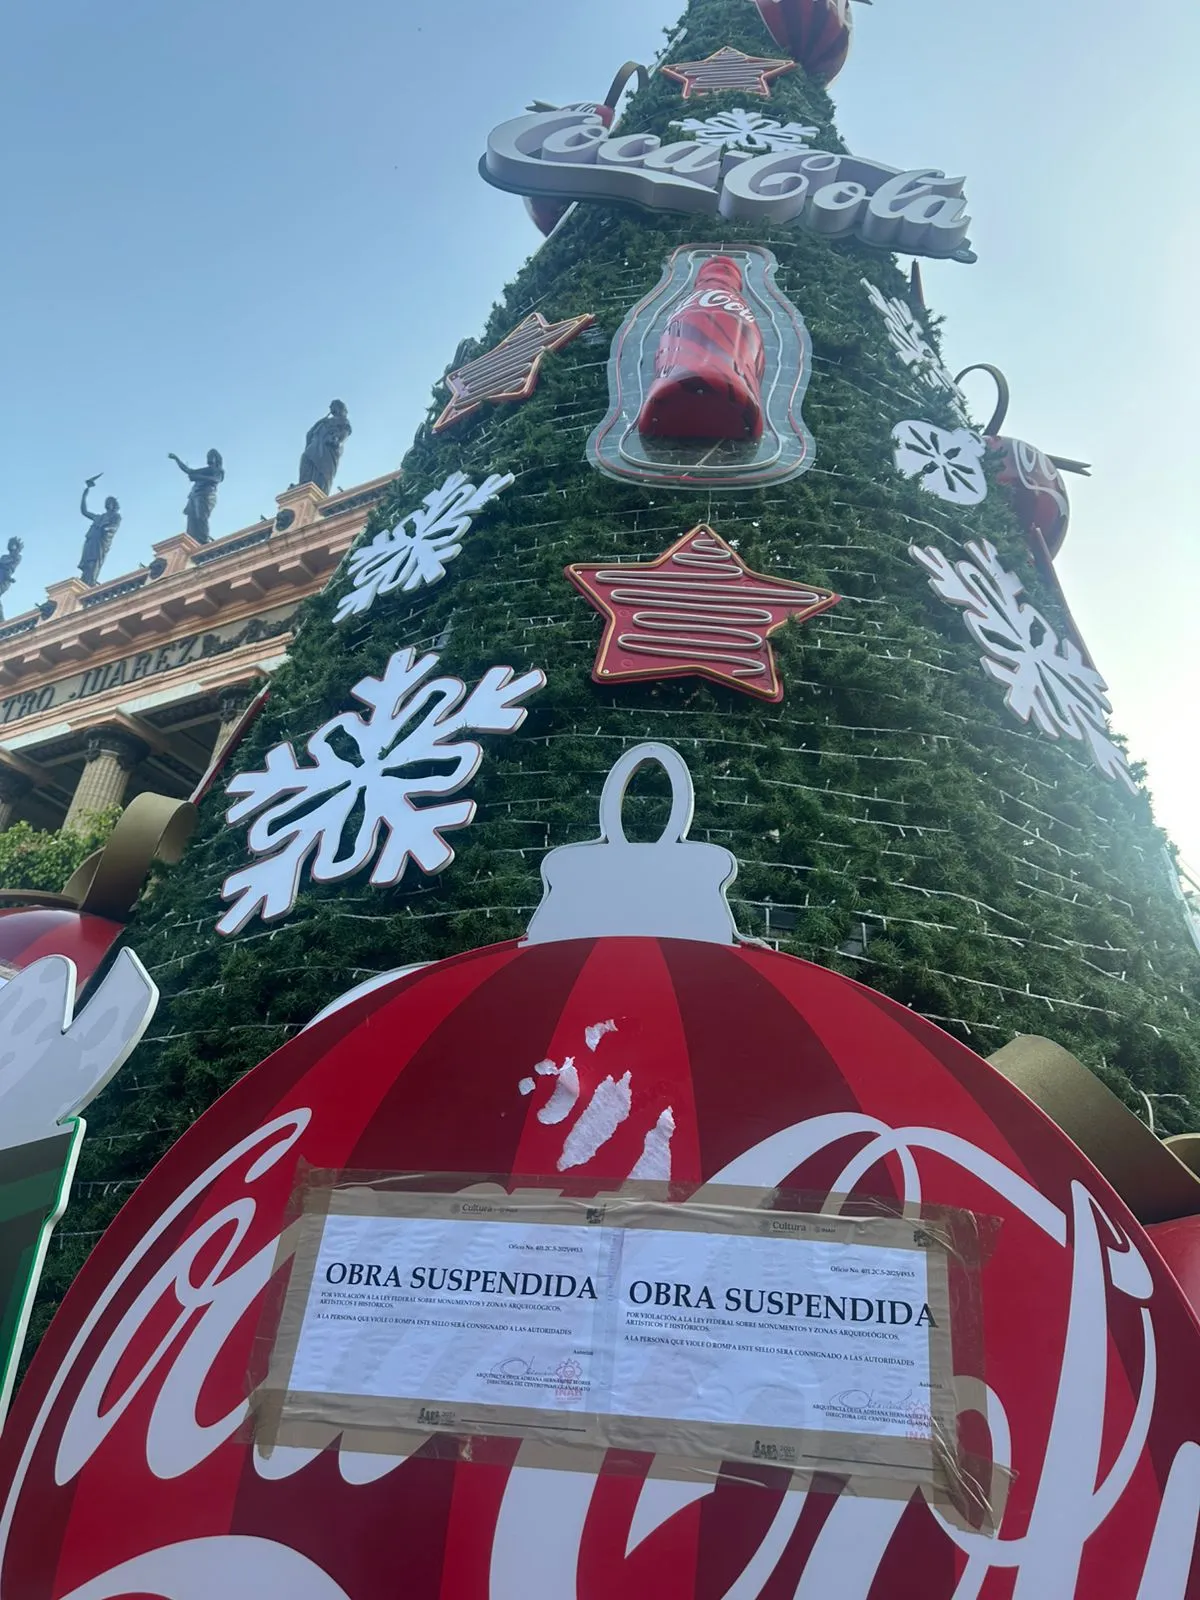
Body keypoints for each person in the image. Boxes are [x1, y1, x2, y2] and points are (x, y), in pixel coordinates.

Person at [169, 449, 225, 543]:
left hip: (206, 495)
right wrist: (177, 459)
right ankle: (192, 540)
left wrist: (198, 477)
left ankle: (204, 539)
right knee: (191, 518)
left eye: (211, 457)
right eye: (208, 457)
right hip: (194, 495)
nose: (209, 459)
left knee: (201, 517)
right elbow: (189, 471)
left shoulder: (218, 470)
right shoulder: (205, 470)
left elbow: (215, 480)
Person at [297, 400, 351, 494]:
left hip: (328, 448)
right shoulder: (324, 421)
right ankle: (303, 484)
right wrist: (320, 423)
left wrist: (336, 440)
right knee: (306, 458)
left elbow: (345, 433)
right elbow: (309, 434)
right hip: (315, 446)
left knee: (323, 469)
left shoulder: (343, 421)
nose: (332, 409)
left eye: (334, 407)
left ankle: (319, 488)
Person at [78, 478, 121, 586]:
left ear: (114, 504)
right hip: (92, 539)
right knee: (87, 562)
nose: (108, 504)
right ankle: (84, 581)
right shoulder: (98, 517)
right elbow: (84, 511)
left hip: (101, 541)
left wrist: (105, 528)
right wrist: (85, 494)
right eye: (107, 502)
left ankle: (90, 582)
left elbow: (113, 527)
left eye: (110, 502)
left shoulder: (115, 516)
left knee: (94, 562)